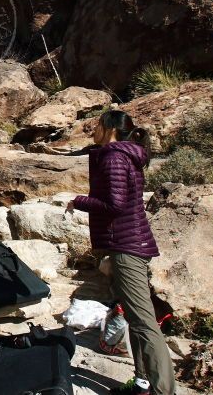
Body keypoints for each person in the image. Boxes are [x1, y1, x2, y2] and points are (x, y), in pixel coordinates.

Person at [66, 110, 175, 395]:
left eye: (97, 126)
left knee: (143, 322)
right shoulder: (125, 155)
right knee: (135, 316)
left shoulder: (114, 157)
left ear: (110, 128)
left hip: (127, 247)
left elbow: (114, 204)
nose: (93, 131)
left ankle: (163, 390)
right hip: (128, 244)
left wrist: (78, 201)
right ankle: (142, 384)